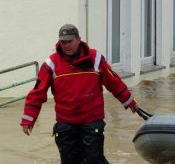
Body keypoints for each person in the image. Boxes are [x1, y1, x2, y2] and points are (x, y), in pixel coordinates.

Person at [20, 24, 140, 164]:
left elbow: (113, 82)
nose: (66, 45)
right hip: (66, 123)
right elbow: (37, 93)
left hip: (92, 121)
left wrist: (130, 102)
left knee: (95, 160)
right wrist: (28, 120)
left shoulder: (95, 58)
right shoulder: (51, 64)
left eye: (69, 41)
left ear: (78, 40)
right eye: (63, 42)